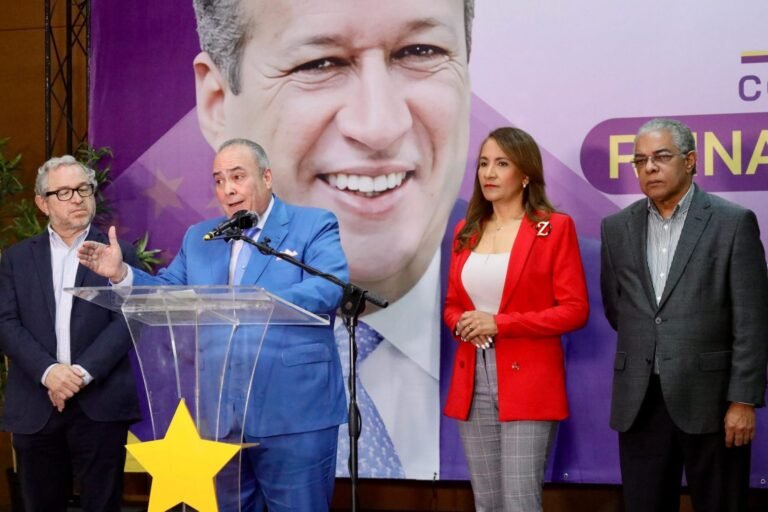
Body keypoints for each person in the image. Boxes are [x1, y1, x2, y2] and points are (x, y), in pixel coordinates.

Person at [190, 0, 474, 478]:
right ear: (218, 103)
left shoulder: (581, 304)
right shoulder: (206, 254)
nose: (380, 125)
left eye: (419, 51)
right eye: (319, 64)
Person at [78, 139, 348, 512]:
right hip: (220, 415)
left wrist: (258, 302)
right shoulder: (200, 238)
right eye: (219, 180)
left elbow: (329, 286)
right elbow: (168, 293)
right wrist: (121, 274)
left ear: (267, 177)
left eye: (238, 177)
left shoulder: (313, 224)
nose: (228, 189)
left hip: (294, 411)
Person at [600, 118, 768, 512]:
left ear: (690, 161)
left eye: (661, 157)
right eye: (640, 160)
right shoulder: (617, 227)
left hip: (712, 402)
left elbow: (752, 321)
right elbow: (617, 307)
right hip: (639, 402)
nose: (649, 168)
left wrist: (743, 400)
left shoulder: (732, 222)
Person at [443, 127, 589, 510]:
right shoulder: (465, 231)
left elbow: (574, 310)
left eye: (502, 164)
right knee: (487, 503)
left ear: (525, 174)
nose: (489, 173)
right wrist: (461, 322)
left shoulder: (553, 228)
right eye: (483, 164)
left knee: (520, 502)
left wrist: (499, 323)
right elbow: (452, 304)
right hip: (472, 379)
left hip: (529, 381)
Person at [0, 156, 140, 511]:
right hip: (35, 403)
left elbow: (132, 318)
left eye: (83, 189)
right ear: (42, 203)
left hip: (100, 403)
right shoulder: (16, 258)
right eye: (64, 192)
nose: (77, 198)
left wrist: (79, 374)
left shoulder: (118, 253)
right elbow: (5, 322)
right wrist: (49, 372)